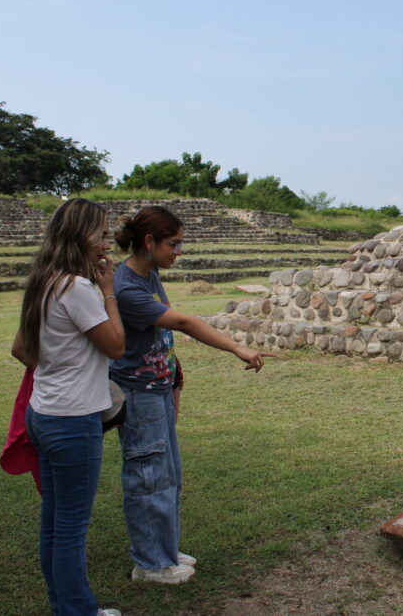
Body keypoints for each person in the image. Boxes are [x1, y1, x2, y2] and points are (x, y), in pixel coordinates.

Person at [110, 206, 276, 584]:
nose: (178, 251)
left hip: (158, 387)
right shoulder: (127, 287)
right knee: (148, 475)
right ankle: (151, 563)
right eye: (173, 243)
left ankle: (163, 548)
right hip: (138, 393)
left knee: (168, 474)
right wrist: (237, 348)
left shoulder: (148, 274)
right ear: (149, 242)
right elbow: (183, 322)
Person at [11, 198, 125, 616]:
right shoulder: (77, 288)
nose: (107, 244)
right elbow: (116, 346)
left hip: (43, 413)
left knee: (55, 522)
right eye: (101, 235)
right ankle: (78, 611)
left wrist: (58, 368)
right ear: (80, 237)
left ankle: (65, 607)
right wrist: (108, 292)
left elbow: (20, 349)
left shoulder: (44, 281)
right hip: (74, 421)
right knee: (71, 528)